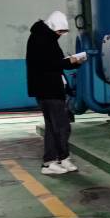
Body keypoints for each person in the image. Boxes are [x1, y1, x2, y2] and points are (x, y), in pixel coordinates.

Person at [26, 11, 84, 175]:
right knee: (62, 126)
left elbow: (55, 64)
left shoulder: (45, 37)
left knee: (53, 127)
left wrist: (74, 63)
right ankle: (59, 159)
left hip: (48, 89)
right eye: (59, 32)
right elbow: (50, 64)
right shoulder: (41, 40)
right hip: (49, 90)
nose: (60, 35)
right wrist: (70, 61)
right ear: (51, 27)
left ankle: (53, 161)